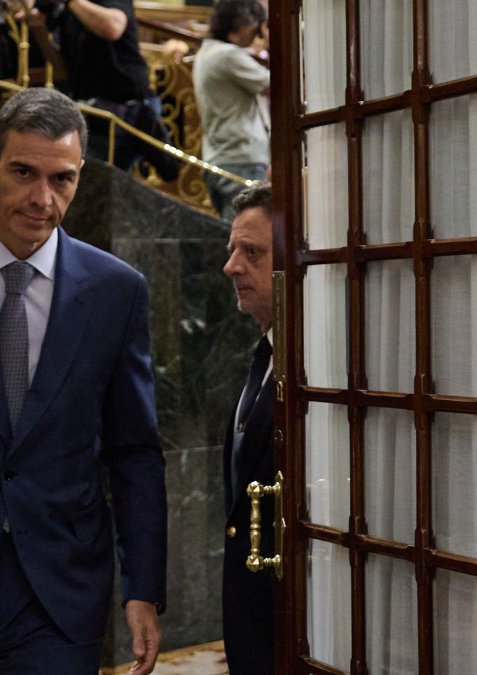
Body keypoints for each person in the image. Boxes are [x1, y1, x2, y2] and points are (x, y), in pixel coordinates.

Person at [0, 87, 167, 675]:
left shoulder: (116, 291)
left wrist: (143, 588)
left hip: (61, 589)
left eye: (61, 179)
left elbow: (135, 452)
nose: (41, 199)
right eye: (23, 172)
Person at [25, 0, 180, 180]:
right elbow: (62, 71)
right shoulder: (66, 10)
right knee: (93, 180)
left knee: (96, 180)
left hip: (127, 106)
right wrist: (40, 30)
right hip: (93, 109)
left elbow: (113, 28)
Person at [220, 182, 276, 674]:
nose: (232, 266)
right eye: (232, 249)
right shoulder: (266, 352)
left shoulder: (323, 363)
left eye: (251, 253)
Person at [194, 0, 271, 221]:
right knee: (245, 231)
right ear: (241, 24)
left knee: (233, 230)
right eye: (255, 26)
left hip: (219, 157)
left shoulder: (207, 51)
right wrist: (270, 42)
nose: (255, 35)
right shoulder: (228, 55)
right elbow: (277, 85)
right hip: (241, 158)